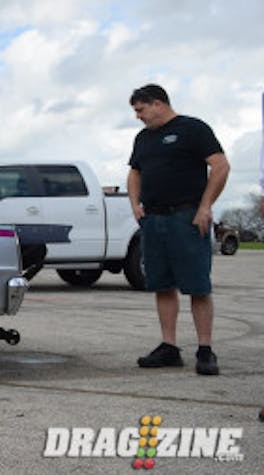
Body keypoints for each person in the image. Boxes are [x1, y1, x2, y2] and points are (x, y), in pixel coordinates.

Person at [127, 84, 229, 376]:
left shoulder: (193, 129)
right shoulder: (143, 138)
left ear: (158, 104)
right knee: (161, 284)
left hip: (187, 217)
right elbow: (135, 172)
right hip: (154, 219)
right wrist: (136, 205)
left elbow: (220, 166)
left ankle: (205, 349)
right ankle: (169, 347)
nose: (138, 116)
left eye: (140, 109)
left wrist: (205, 206)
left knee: (198, 285)